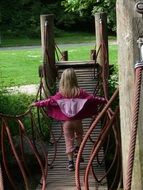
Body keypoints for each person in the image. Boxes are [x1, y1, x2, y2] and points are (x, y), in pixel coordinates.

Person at [31, 68, 106, 171]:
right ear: (74, 79)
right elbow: (93, 99)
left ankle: (70, 163)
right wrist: (104, 100)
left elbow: (49, 101)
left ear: (62, 80)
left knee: (68, 140)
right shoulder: (81, 92)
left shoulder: (61, 94)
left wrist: (37, 104)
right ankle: (78, 151)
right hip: (77, 121)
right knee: (79, 135)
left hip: (67, 123)